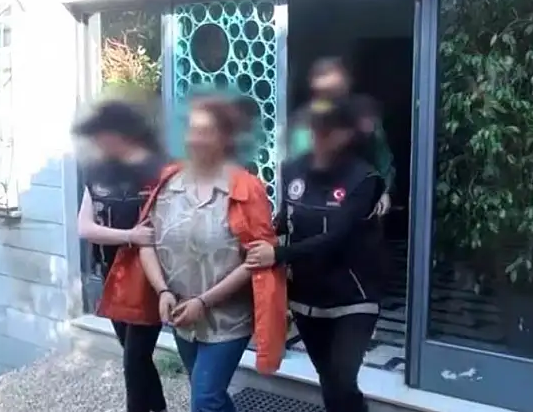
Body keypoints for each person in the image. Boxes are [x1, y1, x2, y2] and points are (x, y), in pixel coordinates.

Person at [137, 93, 287, 412]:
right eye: (193, 130)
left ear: (225, 138)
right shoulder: (168, 182)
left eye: (206, 131)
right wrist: (162, 291)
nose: (196, 138)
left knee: (205, 398)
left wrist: (203, 302)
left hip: (227, 319)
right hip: (180, 313)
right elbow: (145, 240)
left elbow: (256, 258)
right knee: (207, 394)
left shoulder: (246, 188)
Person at [246, 97, 386, 412]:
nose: (318, 136)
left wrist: (278, 254)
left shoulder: (364, 179)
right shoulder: (292, 169)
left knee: (342, 379)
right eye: (314, 128)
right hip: (307, 297)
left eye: (328, 129)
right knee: (329, 379)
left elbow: (337, 236)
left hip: (354, 296)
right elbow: (286, 219)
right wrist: (256, 230)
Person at [74, 98, 168, 412]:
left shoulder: (158, 173)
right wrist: (129, 236)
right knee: (135, 355)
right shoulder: (97, 174)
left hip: (147, 278)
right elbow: (85, 228)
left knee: (134, 359)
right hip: (111, 277)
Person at [287, 57, 394, 216]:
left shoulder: (364, 117)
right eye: (323, 93)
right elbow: (296, 166)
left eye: (335, 92)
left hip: (357, 197)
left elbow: (381, 159)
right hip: (314, 200)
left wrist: (384, 191)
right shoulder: (303, 122)